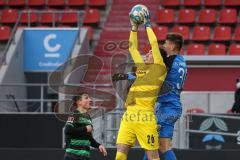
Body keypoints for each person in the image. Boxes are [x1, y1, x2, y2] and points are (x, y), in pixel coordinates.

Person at [113, 33, 187, 160]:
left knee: (163, 146)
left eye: (166, 43)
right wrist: (126, 76)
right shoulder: (181, 62)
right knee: (152, 145)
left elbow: (151, 74)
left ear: (173, 46)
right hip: (164, 106)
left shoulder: (165, 65)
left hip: (167, 107)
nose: (164, 45)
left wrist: (147, 24)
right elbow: (144, 74)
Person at [115, 9, 167, 160]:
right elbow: (132, 48)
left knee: (152, 156)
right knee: (120, 152)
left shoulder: (159, 68)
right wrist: (133, 27)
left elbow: (154, 44)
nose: (148, 53)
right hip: (129, 116)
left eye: (150, 52)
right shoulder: (142, 68)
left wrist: (147, 24)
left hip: (145, 117)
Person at [64, 93, 107, 160]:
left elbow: (88, 138)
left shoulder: (88, 117)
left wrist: (99, 145)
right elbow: (68, 130)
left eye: (89, 98)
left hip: (84, 157)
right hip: (73, 156)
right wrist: (85, 128)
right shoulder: (74, 115)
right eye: (86, 98)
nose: (90, 100)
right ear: (79, 102)